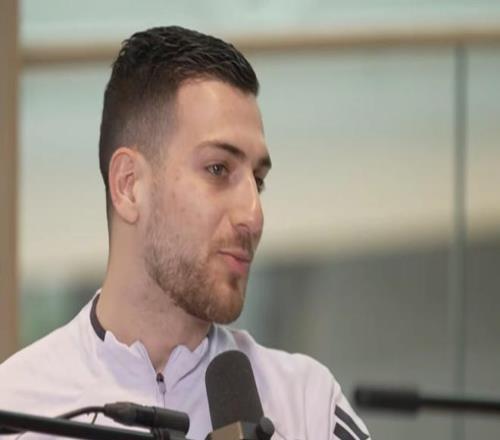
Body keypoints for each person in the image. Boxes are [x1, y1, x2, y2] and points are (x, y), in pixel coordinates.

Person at [0, 26, 370, 440]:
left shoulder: (308, 406)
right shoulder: (15, 411)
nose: (253, 215)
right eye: (218, 169)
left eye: (258, 180)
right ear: (129, 185)